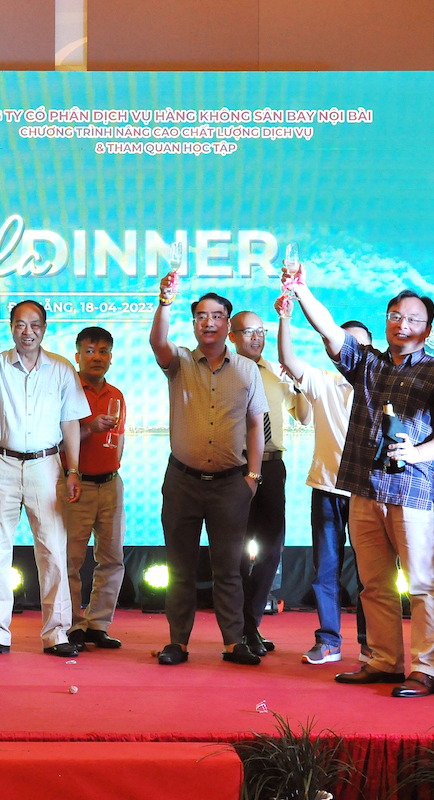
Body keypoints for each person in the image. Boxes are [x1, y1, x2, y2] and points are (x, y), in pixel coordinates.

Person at [285, 274, 434, 697]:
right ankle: (385, 661)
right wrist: (300, 290)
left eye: (413, 318)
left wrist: (417, 453)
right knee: (374, 584)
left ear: (428, 328)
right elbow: (329, 331)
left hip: (412, 492)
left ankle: (427, 670)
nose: (402, 324)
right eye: (395, 316)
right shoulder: (367, 363)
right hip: (364, 490)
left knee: (423, 584)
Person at [0, 298, 88, 658]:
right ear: (11, 328)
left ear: (45, 328)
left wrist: (73, 470)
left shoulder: (61, 368)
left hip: (47, 465)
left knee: (53, 550)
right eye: (21, 324)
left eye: (35, 324)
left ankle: (57, 633)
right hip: (4, 463)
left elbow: (70, 422)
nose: (28, 331)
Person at [149, 277, 268, 667]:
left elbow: (256, 424)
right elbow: (158, 342)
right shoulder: (180, 362)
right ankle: (177, 643)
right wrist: (165, 301)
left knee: (229, 569)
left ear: (228, 324)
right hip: (182, 481)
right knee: (179, 568)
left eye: (217, 316)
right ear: (194, 324)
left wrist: (253, 477)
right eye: (201, 316)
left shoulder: (247, 370)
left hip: (231, 484)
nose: (209, 322)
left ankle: (233, 642)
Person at [276, 308, 373, 665]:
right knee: (326, 570)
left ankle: (371, 644)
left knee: (371, 574)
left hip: (368, 493)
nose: (351, 351)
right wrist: (285, 318)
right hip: (327, 488)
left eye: (359, 346)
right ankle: (329, 641)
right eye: (343, 343)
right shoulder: (323, 382)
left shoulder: (381, 387)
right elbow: (287, 359)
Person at [228, 310, 311, 656]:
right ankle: (242, 628)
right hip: (236, 467)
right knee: (235, 551)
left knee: (272, 548)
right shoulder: (226, 371)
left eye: (260, 331)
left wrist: (297, 383)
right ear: (232, 336)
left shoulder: (275, 374)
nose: (256, 337)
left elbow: (304, 416)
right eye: (248, 332)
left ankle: (250, 625)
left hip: (272, 467)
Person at [64, 326, 127, 650]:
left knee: (112, 559)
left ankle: (98, 625)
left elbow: (119, 439)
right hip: (78, 486)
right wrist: (89, 427)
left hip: (111, 484)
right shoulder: (68, 390)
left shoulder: (116, 394)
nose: (97, 357)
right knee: (70, 561)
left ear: (111, 357)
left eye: (103, 351)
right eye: (89, 351)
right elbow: (58, 439)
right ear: (78, 356)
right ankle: (72, 625)